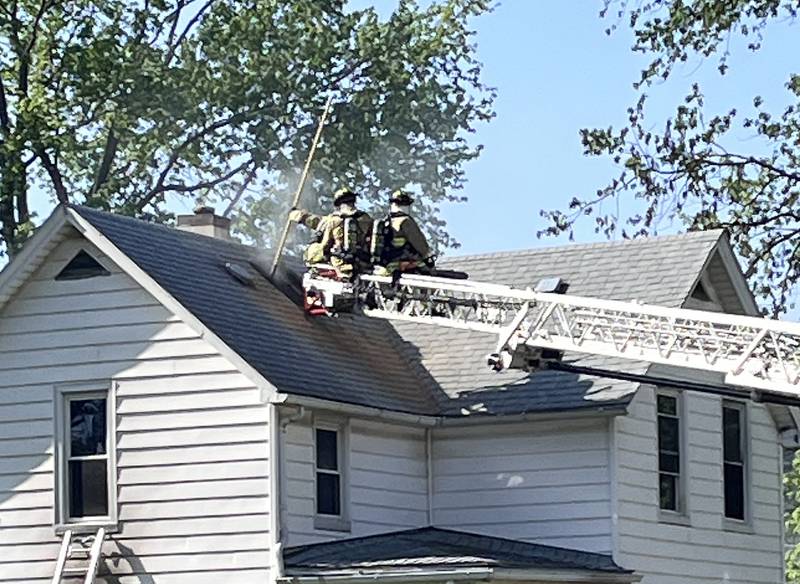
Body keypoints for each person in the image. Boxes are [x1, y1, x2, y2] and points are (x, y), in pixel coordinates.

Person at [288, 187, 373, 280]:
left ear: (339, 204)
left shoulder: (333, 220)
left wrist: (296, 215)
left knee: (311, 253)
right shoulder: (366, 219)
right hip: (361, 264)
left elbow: (324, 242)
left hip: (339, 263)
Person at [372, 190, 434, 276]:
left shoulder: (387, 221)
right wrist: (428, 259)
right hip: (404, 265)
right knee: (428, 273)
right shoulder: (406, 221)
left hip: (387, 266)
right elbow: (421, 246)